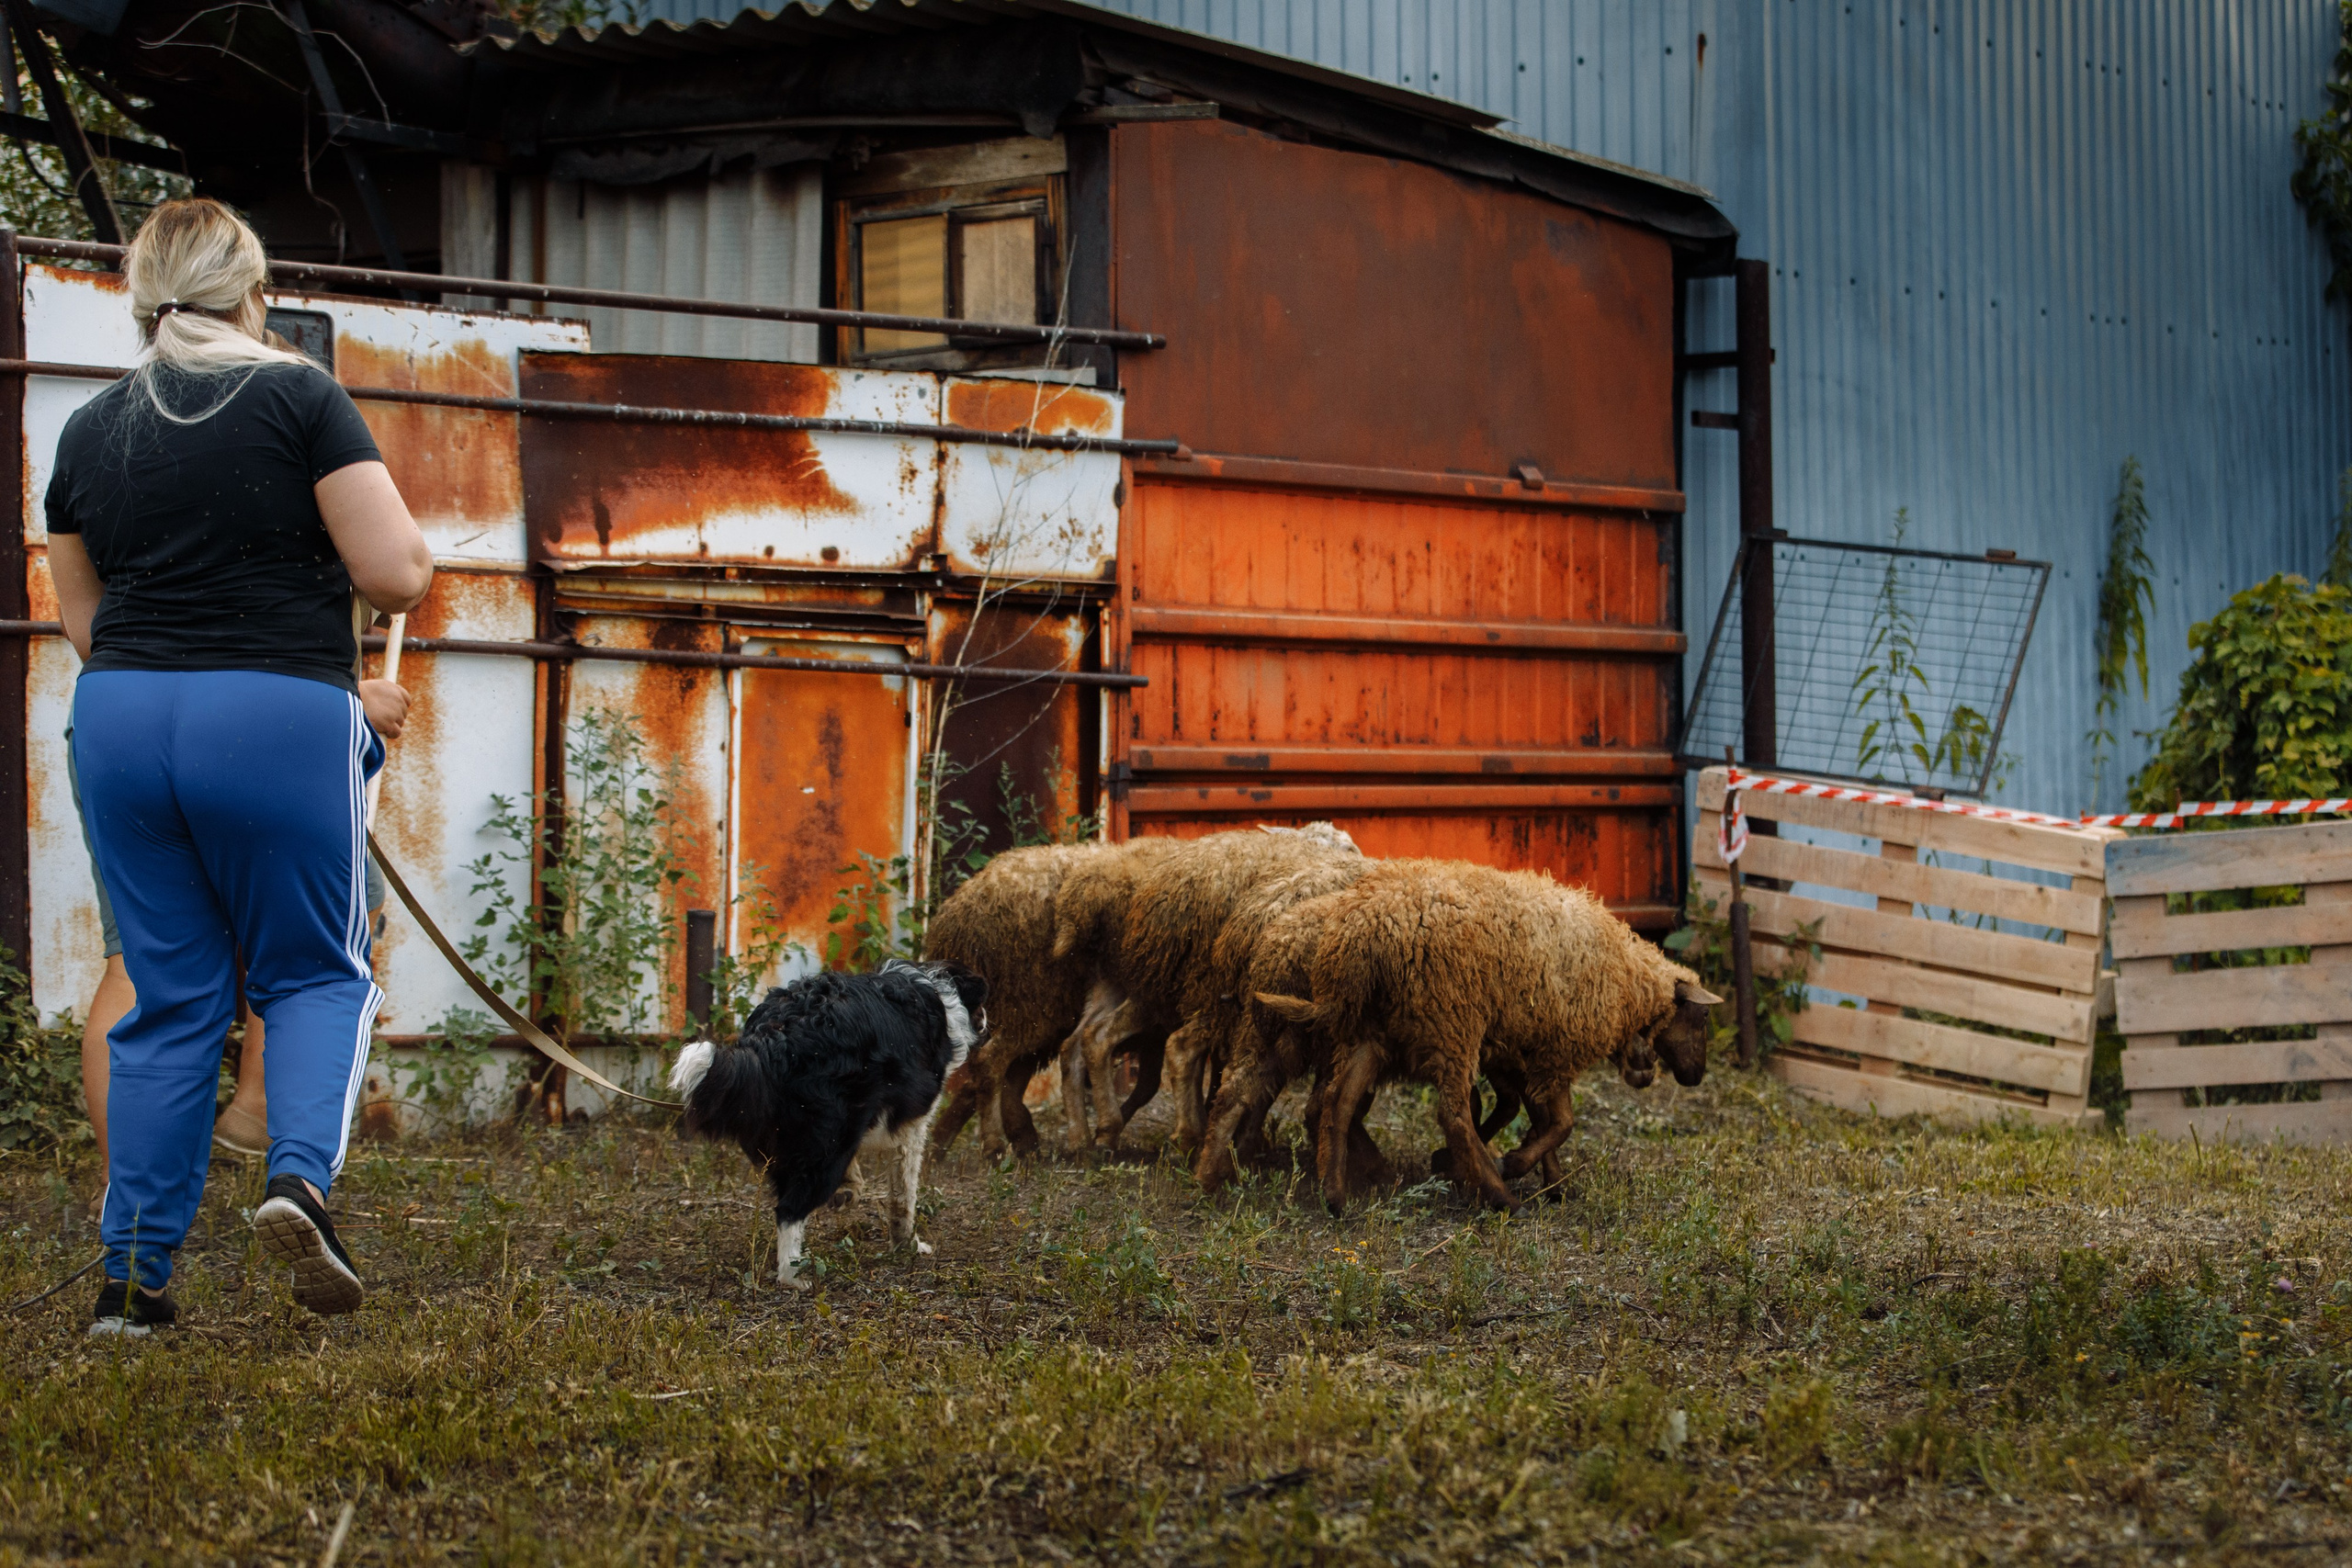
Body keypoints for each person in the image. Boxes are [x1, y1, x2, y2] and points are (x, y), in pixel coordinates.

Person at [47, 197, 433, 1336]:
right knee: (317, 972)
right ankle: (299, 1180)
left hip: (118, 720)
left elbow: (84, 621)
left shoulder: (86, 431)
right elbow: (398, 572)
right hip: (271, 719)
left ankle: (130, 1281)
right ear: (252, 291)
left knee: (168, 999)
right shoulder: (296, 394)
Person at [70, 719, 401, 1165]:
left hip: (115, 726)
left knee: (138, 956)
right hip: (243, 730)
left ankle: (128, 1188)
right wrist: (348, 700)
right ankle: (258, 1103)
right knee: (334, 912)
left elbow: (93, 649)